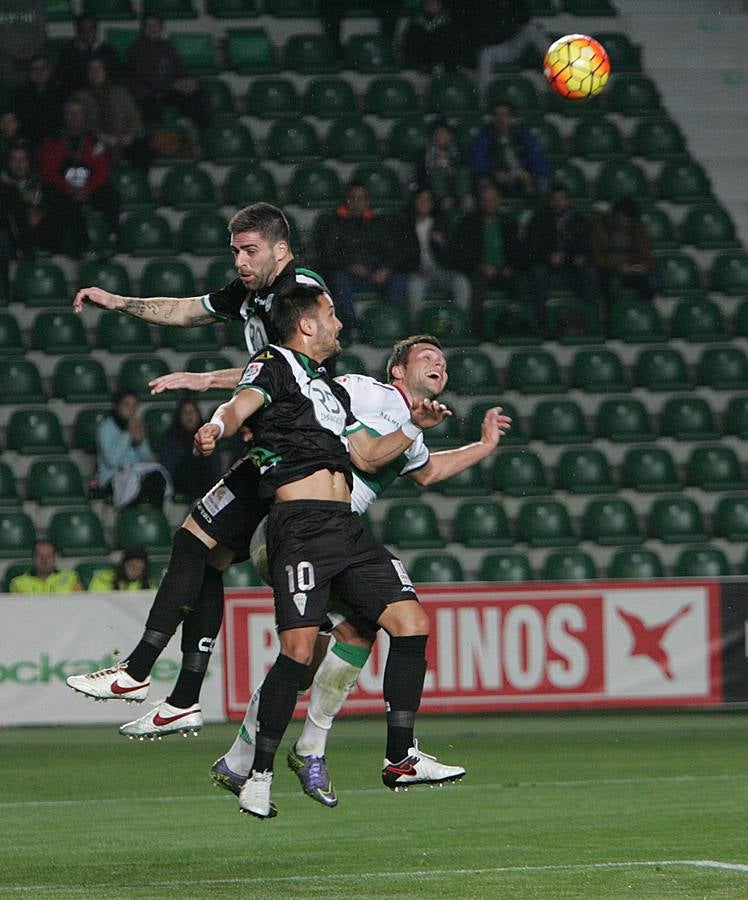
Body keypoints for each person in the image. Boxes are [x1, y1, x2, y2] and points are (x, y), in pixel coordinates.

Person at [67, 203, 335, 739]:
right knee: (202, 553)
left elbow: (298, 365)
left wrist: (208, 381)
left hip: (298, 449)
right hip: (275, 446)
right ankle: (182, 696)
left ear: (280, 249)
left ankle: (140, 672)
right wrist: (117, 302)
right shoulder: (255, 294)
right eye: (234, 249)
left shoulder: (299, 294)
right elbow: (186, 310)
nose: (238, 259)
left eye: (249, 249)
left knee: (199, 543)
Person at [194, 285, 462, 819]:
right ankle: (260, 766)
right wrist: (221, 417)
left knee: (402, 625)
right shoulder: (332, 382)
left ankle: (397, 757)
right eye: (331, 313)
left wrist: (476, 442)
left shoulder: (358, 405)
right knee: (301, 653)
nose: (340, 320)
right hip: (297, 530)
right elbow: (259, 401)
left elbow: (409, 464)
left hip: (345, 530)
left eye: (443, 361)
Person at [318, 181, 408, 334]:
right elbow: (329, 256)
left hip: (376, 274)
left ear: (367, 201)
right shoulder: (335, 224)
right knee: (339, 281)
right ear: (346, 201)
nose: (357, 202)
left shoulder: (378, 224)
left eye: (361, 198)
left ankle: (388, 325)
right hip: (350, 276)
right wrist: (350, 267)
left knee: (399, 280)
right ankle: (352, 327)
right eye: (353, 198)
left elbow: (392, 251)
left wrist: (385, 269)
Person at [39, 98, 121, 254]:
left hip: (88, 188)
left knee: (111, 195)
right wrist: (68, 188)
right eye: (70, 113)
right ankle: (83, 245)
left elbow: (102, 169)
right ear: (65, 116)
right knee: (60, 201)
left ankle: (113, 235)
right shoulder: (53, 139)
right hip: (63, 189)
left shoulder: (94, 140)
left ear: (84, 116)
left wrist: (88, 188)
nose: (74, 117)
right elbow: (48, 170)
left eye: (77, 113)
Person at [526, 183, 603, 334]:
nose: (558, 202)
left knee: (590, 273)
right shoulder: (539, 220)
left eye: (562, 199)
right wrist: (548, 257)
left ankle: (593, 321)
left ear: (568, 201)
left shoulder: (580, 221)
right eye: (555, 199)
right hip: (548, 270)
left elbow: (587, 248)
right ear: (550, 201)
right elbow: (531, 249)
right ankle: (541, 325)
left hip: (572, 271)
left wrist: (578, 257)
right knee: (538, 272)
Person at [458, 181, 528, 336]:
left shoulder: (508, 224)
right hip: (481, 270)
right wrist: (481, 266)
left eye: (492, 199)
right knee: (476, 287)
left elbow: (518, 252)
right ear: (480, 201)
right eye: (485, 199)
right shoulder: (470, 223)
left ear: (499, 201)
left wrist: (511, 267)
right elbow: (463, 254)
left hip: (505, 270)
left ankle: (524, 327)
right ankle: (478, 332)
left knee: (522, 284)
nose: (489, 203)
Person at [398, 187, 473, 320]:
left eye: (427, 199)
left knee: (462, 282)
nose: (424, 202)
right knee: (414, 286)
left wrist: (443, 243)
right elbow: (401, 255)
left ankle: (461, 323)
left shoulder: (442, 224)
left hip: (441, 271)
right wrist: (417, 267)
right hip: (418, 272)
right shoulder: (406, 226)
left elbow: (455, 254)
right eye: (421, 199)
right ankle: (417, 329)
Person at [126, 13, 208, 131]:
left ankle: (199, 135)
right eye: (149, 26)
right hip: (149, 93)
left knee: (196, 93)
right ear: (143, 29)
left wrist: (188, 81)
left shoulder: (168, 47)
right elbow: (148, 77)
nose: (152, 29)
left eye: (156, 26)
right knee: (152, 107)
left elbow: (181, 69)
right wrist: (174, 85)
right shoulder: (135, 49)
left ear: (161, 28)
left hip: (168, 91)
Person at [74, 55, 153, 172]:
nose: (95, 72)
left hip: (123, 138)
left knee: (143, 150)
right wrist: (101, 136)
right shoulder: (81, 97)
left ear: (105, 71)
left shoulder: (121, 92)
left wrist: (130, 134)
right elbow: (80, 123)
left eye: (99, 68)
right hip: (97, 140)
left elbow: (134, 117)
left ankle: (140, 184)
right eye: (91, 69)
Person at [462, 0, 547, 105]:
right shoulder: (482, 4)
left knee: (532, 29)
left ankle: (557, 64)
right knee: (484, 55)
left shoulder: (516, 3)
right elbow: (481, 31)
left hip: (513, 45)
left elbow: (524, 19)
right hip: (492, 48)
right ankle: (483, 101)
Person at [97, 390, 171, 510]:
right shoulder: (106, 427)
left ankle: (154, 518)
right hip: (112, 477)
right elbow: (111, 460)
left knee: (157, 477)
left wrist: (140, 442)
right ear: (117, 406)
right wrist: (127, 434)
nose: (131, 409)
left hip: (137, 472)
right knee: (140, 485)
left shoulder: (137, 425)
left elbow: (148, 459)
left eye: (134, 405)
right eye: (126, 405)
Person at [469, 101, 548, 200]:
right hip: (496, 179)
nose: (501, 119)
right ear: (492, 118)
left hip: (521, 176)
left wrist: (532, 175)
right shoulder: (484, 137)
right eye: (496, 115)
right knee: (483, 182)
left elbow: (537, 158)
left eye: (504, 115)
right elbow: (478, 161)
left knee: (543, 182)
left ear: (511, 118)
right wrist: (493, 172)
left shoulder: (522, 135)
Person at [591, 197, 656, 305]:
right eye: (623, 219)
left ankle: (643, 312)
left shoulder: (638, 227)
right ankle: (611, 317)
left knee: (652, 282)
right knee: (613, 284)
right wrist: (618, 265)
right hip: (609, 270)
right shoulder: (599, 226)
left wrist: (642, 266)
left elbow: (647, 255)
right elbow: (597, 258)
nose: (626, 223)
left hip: (632, 269)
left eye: (629, 220)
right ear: (614, 215)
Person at [158, 395, 222, 503]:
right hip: (180, 485)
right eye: (185, 413)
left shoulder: (207, 435)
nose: (189, 416)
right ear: (179, 416)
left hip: (207, 487)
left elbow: (215, 466)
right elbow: (167, 470)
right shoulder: (172, 438)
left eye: (192, 411)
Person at [54, 14, 122, 100]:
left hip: (104, 94)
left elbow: (116, 74)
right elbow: (63, 76)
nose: (87, 33)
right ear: (77, 31)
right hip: (76, 95)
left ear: (96, 30)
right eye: (83, 29)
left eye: (90, 29)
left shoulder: (107, 51)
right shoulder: (68, 51)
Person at [413, 117, 472, 216]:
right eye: (437, 133)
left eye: (443, 133)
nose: (440, 136)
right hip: (435, 188)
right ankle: (445, 200)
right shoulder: (425, 154)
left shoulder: (457, 151)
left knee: (463, 171)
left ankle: (465, 200)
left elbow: (464, 167)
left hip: (455, 185)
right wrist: (436, 167)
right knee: (436, 172)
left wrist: (451, 169)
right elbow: (420, 174)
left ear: (449, 135)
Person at [400, 0, 467, 72]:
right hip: (419, 69)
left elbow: (455, 51)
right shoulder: (414, 24)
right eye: (428, 3)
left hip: (444, 69)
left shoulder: (450, 24)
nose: (432, 5)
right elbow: (408, 49)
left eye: (435, 3)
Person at [11, 54, 64, 146]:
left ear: (49, 70)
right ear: (29, 73)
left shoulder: (61, 92)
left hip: (54, 141)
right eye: (34, 69)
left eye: (42, 68)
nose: (39, 72)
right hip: (28, 141)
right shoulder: (21, 94)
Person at [9, 541, 82, 594]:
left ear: (54, 558)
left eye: (49, 556)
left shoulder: (71, 579)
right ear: (33, 559)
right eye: (40, 556)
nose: (44, 560)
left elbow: (79, 605)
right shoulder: (18, 584)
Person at [88, 548, 155, 592]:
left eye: (140, 568)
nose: (135, 570)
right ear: (124, 565)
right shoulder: (103, 579)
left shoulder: (149, 586)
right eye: (132, 566)